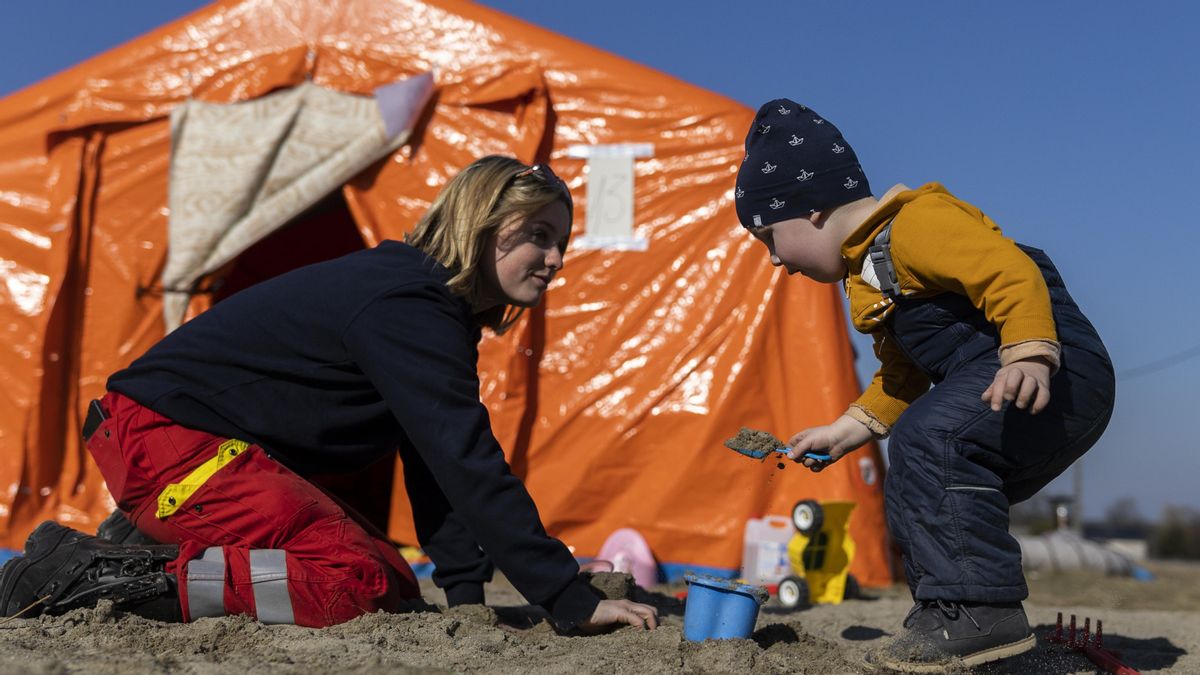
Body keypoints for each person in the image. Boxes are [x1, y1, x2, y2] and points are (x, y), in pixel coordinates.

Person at [0, 155, 659, 633]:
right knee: (355, 580)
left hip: (182, 441)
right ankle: (99, 577)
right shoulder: (408, 304)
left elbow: (431, 461)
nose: (555, 259)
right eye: (538, 235)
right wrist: (565, 595)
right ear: (480, 224)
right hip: (167, 438)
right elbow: (466, 456)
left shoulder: (429, 310)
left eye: (562, 242)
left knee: (396, 582)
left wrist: (465, 593)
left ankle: (142, 546)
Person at [733, 99, 1114, 671]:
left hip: (1054, 370)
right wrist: (846, 430)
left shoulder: (914, 225)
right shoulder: (868, 276)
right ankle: (948, 614)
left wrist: (1030, 352)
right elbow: (902, 371)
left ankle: (982, 613)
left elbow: (1009, 272)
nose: (774, 261)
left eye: (769, 238)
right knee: (916, 478)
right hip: (998, 378)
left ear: (810, 211)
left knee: (929, 440)